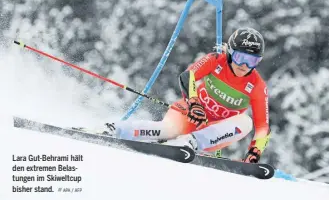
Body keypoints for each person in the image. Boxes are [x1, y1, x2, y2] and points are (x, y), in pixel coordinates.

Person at [107, 27, 271, 163]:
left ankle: (189, 142)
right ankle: (117, 129)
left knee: (246, 122)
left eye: (252, 61)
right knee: (166, 130)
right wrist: (194, 103)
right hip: (190, 114)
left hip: (213, 132)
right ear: (230, 52)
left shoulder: (257, 85)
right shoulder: (215, 60)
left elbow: (263, 126)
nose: (244, 65)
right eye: (240, 57)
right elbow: (188, 76)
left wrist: (255, 151)